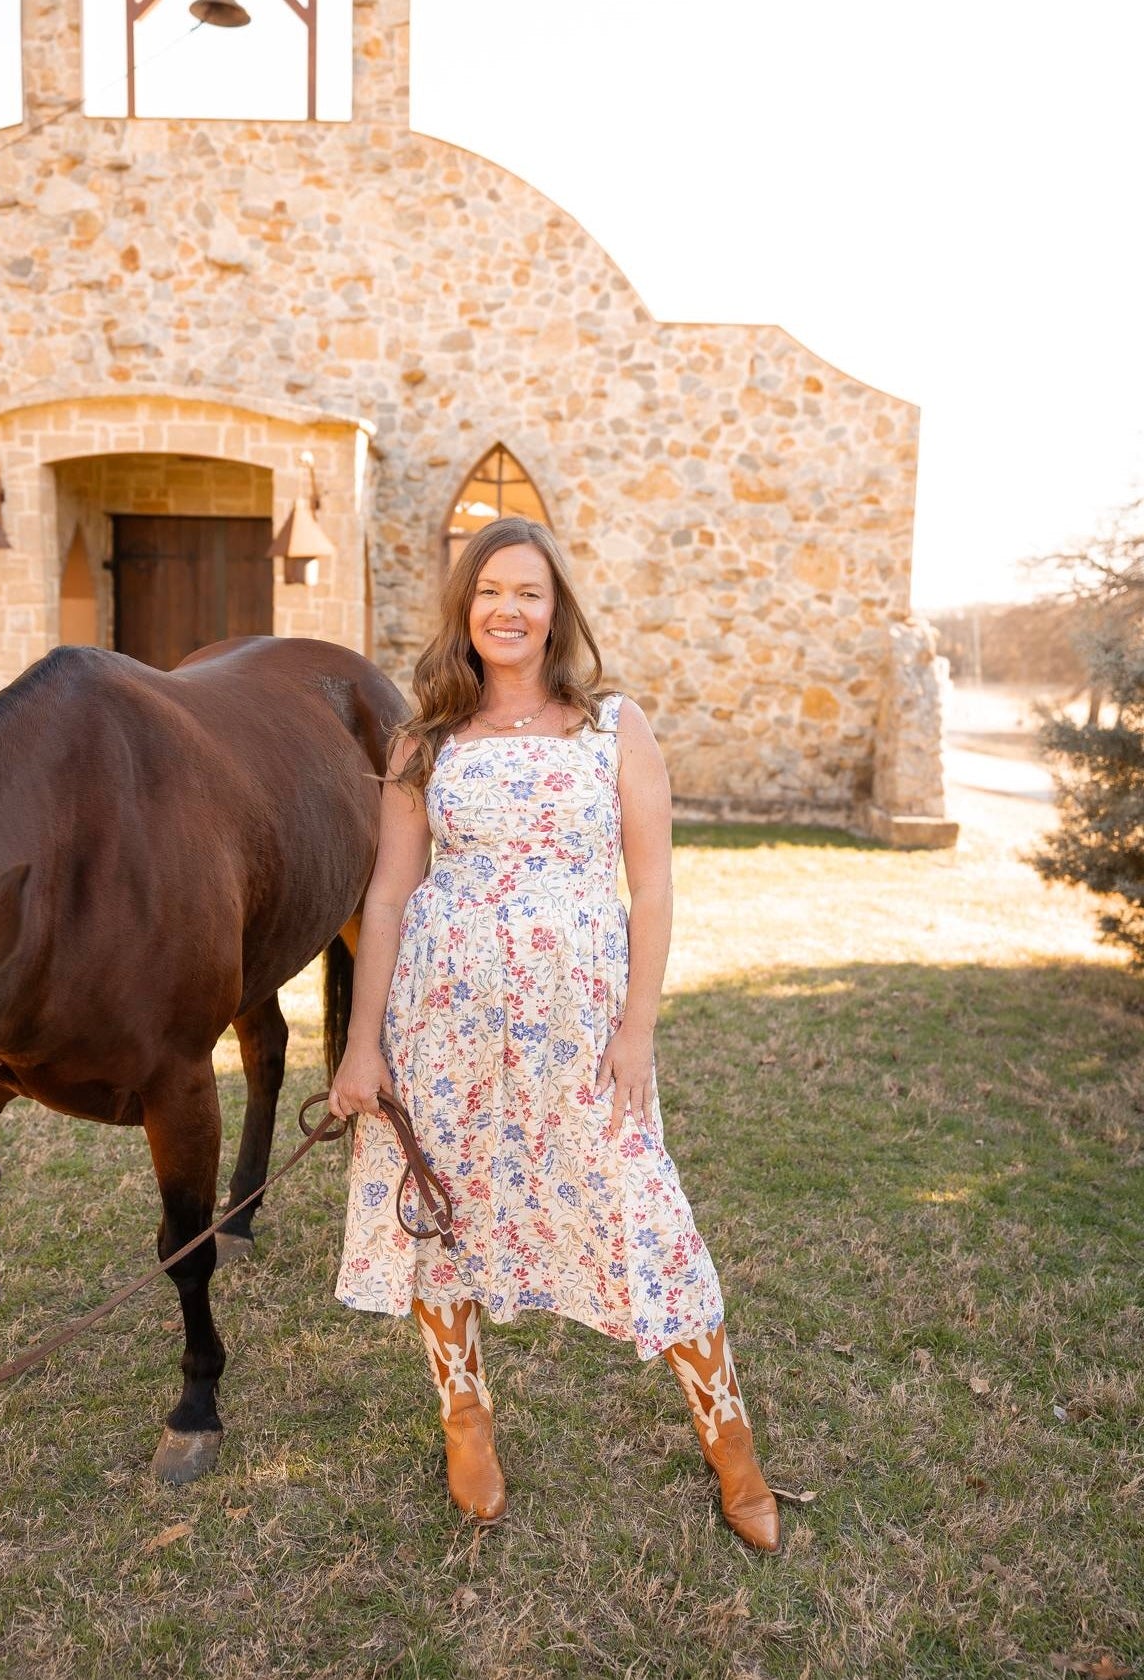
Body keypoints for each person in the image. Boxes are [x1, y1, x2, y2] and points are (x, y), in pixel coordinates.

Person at [328, 515, 780, 1551]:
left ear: (555, 609)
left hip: (581, 1033)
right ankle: (466, 1420)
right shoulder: (425, 741)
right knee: (440, 1219)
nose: (508, 609)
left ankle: (733, 1448)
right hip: (442, 1028)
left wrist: (638, 1030)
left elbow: (652, 886)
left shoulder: (612, 726)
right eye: (490, 591)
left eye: (528, 592)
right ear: (465, 610)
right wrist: (362, 1044)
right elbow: (389, 897)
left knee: (649, 1222)